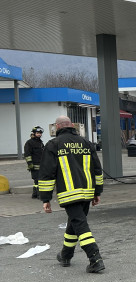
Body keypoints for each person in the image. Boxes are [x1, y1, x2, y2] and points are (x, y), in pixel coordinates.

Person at [38, 116, 105, 273]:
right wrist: (97, 192)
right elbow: (97, 169)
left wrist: (45, 198)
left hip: (69, 193)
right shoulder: (86, 143)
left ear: (57, 126)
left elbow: (47, 172)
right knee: (74, 223)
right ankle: (66, 255)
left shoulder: (54, 144)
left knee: (80, 225)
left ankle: (95, 259)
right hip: (87, 192)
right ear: (72, 125)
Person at [23, 126, 45, 199]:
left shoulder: (40, 142)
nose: (39, 135)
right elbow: (27, 154)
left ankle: (35, 194)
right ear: (34, 133)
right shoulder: (29, 143)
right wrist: (30, 164)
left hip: (41, 164)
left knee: (37, 180)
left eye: (40, 133)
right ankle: (39, 194)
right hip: (34, 165)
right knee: (38, 180)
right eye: (38, 133)